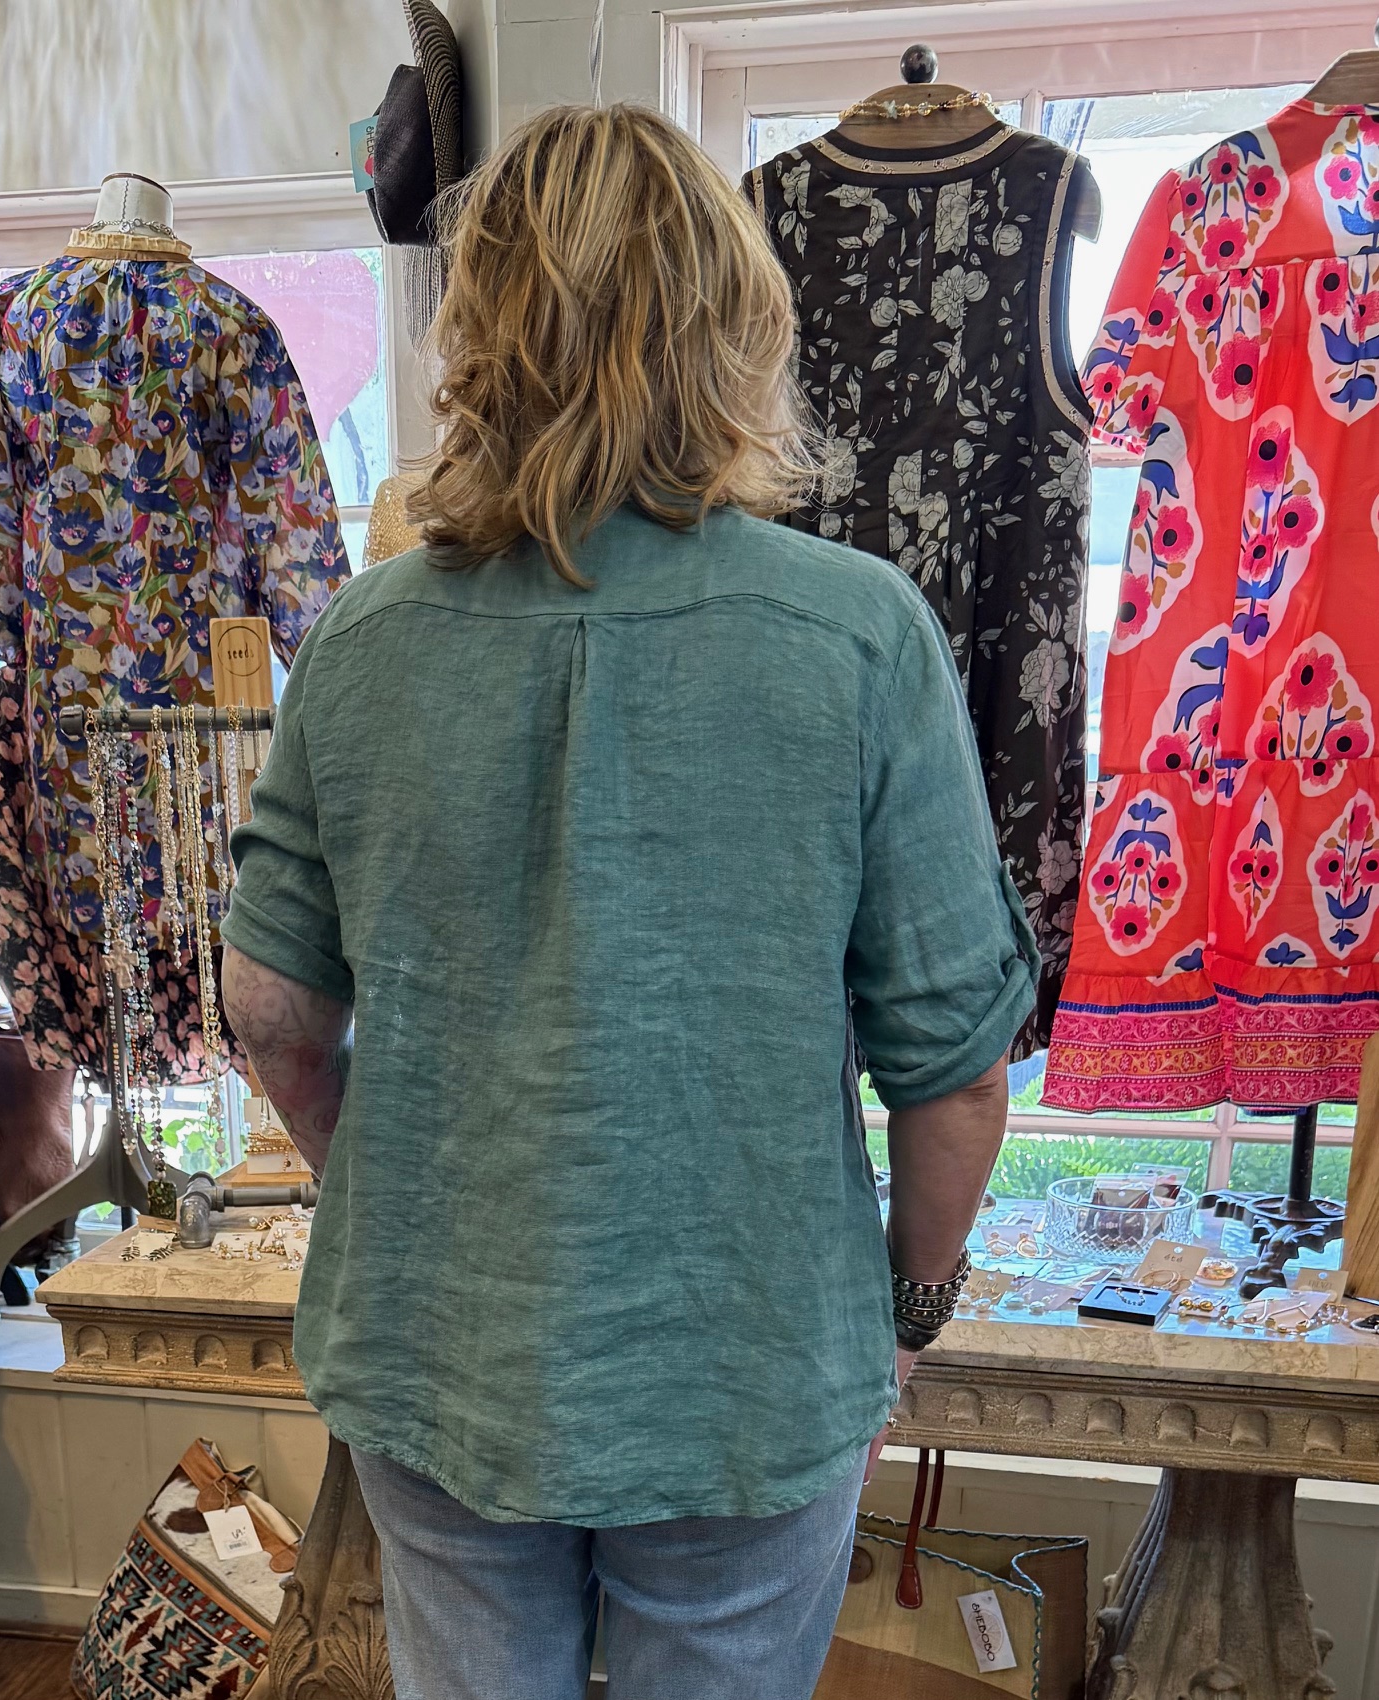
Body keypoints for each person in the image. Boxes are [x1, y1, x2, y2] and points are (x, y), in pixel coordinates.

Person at [222, 102, 1036, 1700]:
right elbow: (956, 1077)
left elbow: (274, 1012)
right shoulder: (859, 636)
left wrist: (395, 1196)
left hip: (441, 1345)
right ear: (736, 328)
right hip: (751, 1361)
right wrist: (907, 1311)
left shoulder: (363, 642)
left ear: (480, 336)